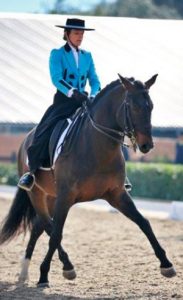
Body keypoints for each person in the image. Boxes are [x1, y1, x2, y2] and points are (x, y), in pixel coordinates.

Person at [18, 18, 101, 191]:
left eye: (82, 33)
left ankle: (117, 174)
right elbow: (56, 78)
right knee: (45, 129)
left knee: (105, 127)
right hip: (64, 101)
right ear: (67, 34)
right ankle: (31, 172)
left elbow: (94, 80)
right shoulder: (57, 54)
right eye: (76, 33)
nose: (80, 36)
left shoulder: (88, 56)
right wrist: (72, 92)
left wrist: (93, 95)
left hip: (84, 101)